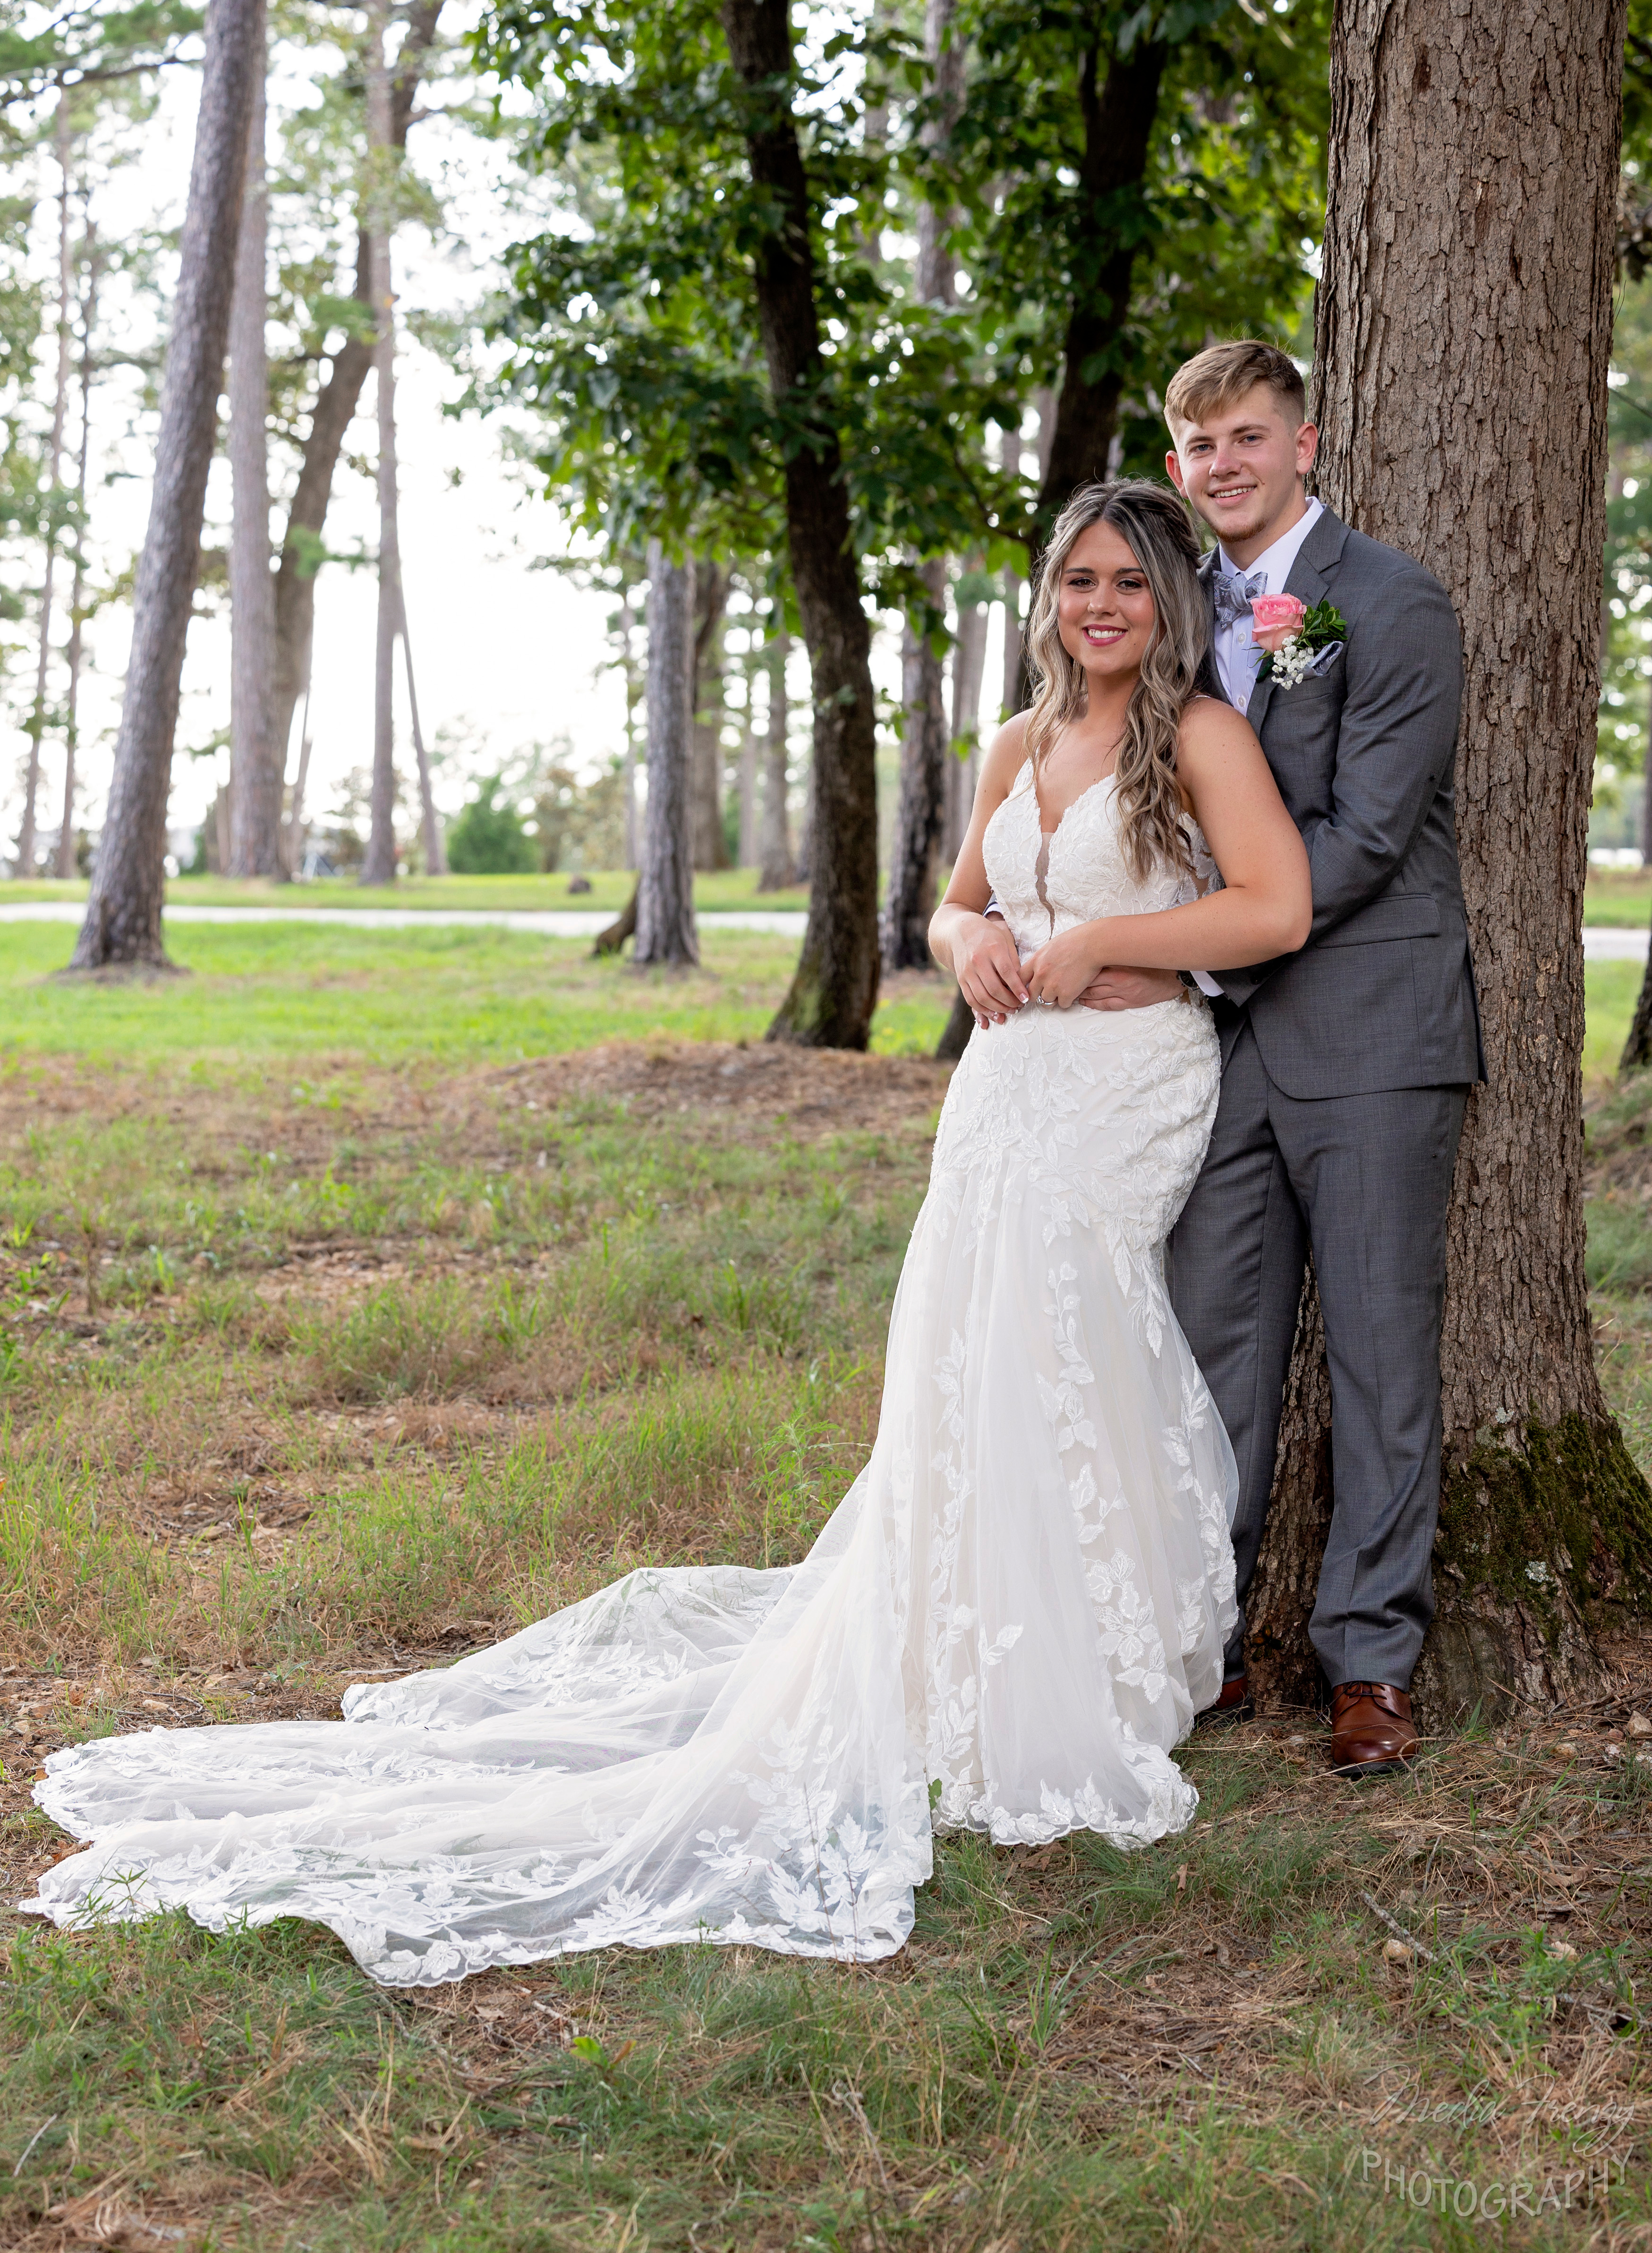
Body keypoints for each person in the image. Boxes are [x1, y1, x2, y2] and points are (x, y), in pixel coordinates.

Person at [26, 480, 1308, 1987]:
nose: (1100, 605)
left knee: (1071, 1339)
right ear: (1050, 597)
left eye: (1129, 583)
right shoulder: (1021, 742)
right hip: (1006, 1084)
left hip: (1126, 1084)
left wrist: (1103, 938)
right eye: (1077, 579)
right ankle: (967, 1646)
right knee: (969, 1351)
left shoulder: (1199, 738)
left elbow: (1272, 909)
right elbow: (963, 905)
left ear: (1169, 598)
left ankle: (1079, 1661)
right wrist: (970, 945)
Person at [1083, 340, 1483, 1778]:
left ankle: (1369, 1660)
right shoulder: (1178, 614)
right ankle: (1206, 1642)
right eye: (1198, 448)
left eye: (1247, 437)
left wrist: (1185, 946)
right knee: (1210, 1355)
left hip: (1371, 1031)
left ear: (1303, 445)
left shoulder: (1390, 603)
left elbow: (1368, 836)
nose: (1221, 465)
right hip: (1216, 1051)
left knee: (1378, 1355)